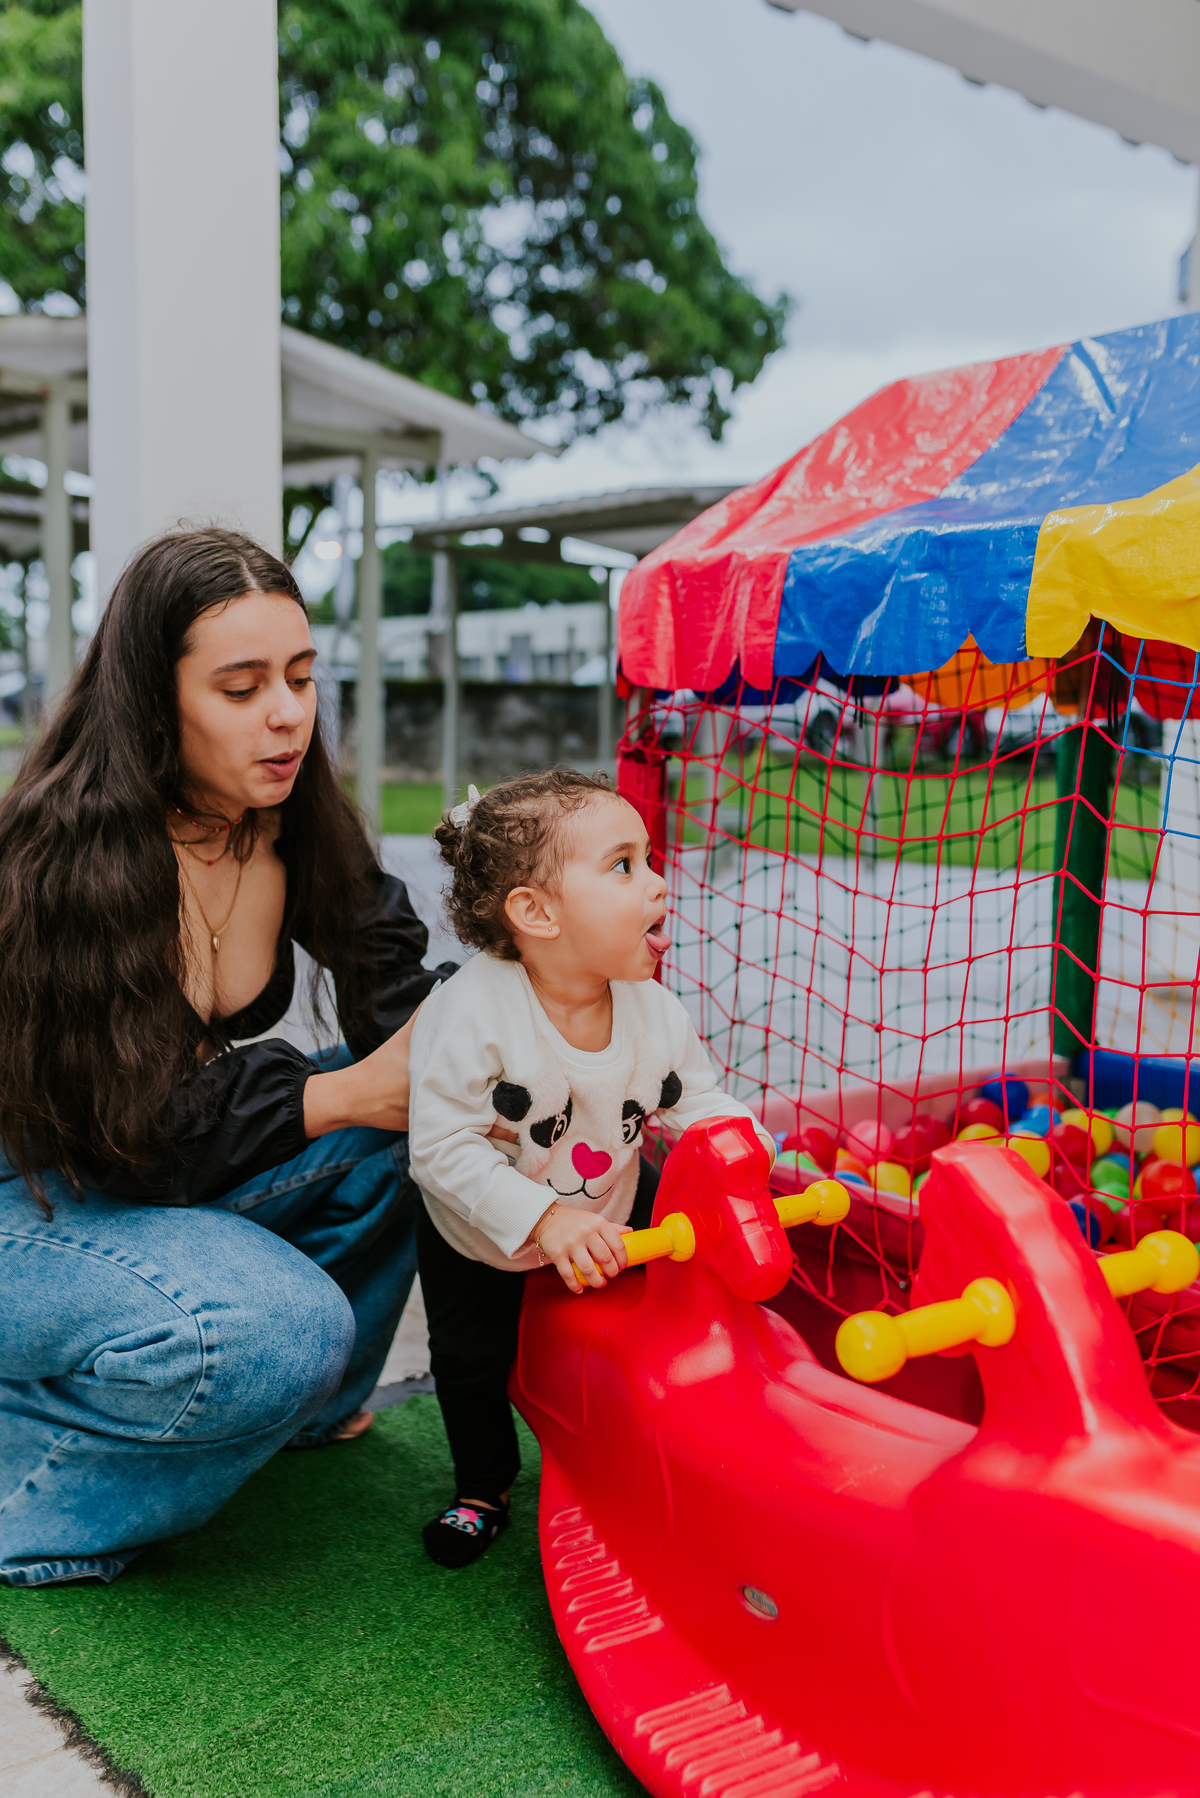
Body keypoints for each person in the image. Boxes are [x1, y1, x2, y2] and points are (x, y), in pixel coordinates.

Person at [0, 528, 453, 1588]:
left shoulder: (289, 821)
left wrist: (548, 1022)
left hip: (142, 1174)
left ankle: (301, 1410)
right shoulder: (61, 854)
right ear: (156, 705)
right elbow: (125, 1143)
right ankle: (26, 1504)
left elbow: (395, 995)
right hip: (35, 1194)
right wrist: (339, 1093)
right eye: (242, 688)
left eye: (300, 676)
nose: (287, 713)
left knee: (424, 1118)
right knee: (277, 1327)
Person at [408, 769, 775, 1568]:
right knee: (470, 1362)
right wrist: (543, 1219)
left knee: (665, 1305)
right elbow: (439, 1148)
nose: (657, 883)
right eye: (623, 866)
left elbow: (700, 1103)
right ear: (537, 914)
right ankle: (483, 1488)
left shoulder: (655, 1010)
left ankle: (657, 1438)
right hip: (480, 1227)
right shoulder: (472, 1011)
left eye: (650, 861)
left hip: (613, 1193)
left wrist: (746, 1151)